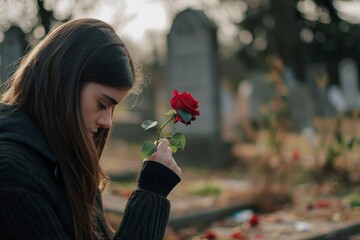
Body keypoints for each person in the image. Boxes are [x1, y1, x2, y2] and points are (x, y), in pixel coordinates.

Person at [0, 18, 181, 240]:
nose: (107, 121)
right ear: (64, 84)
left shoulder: (66, 158)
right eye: (102, 104)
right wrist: (151, 194)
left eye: (112, 109)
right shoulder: (12, 177)